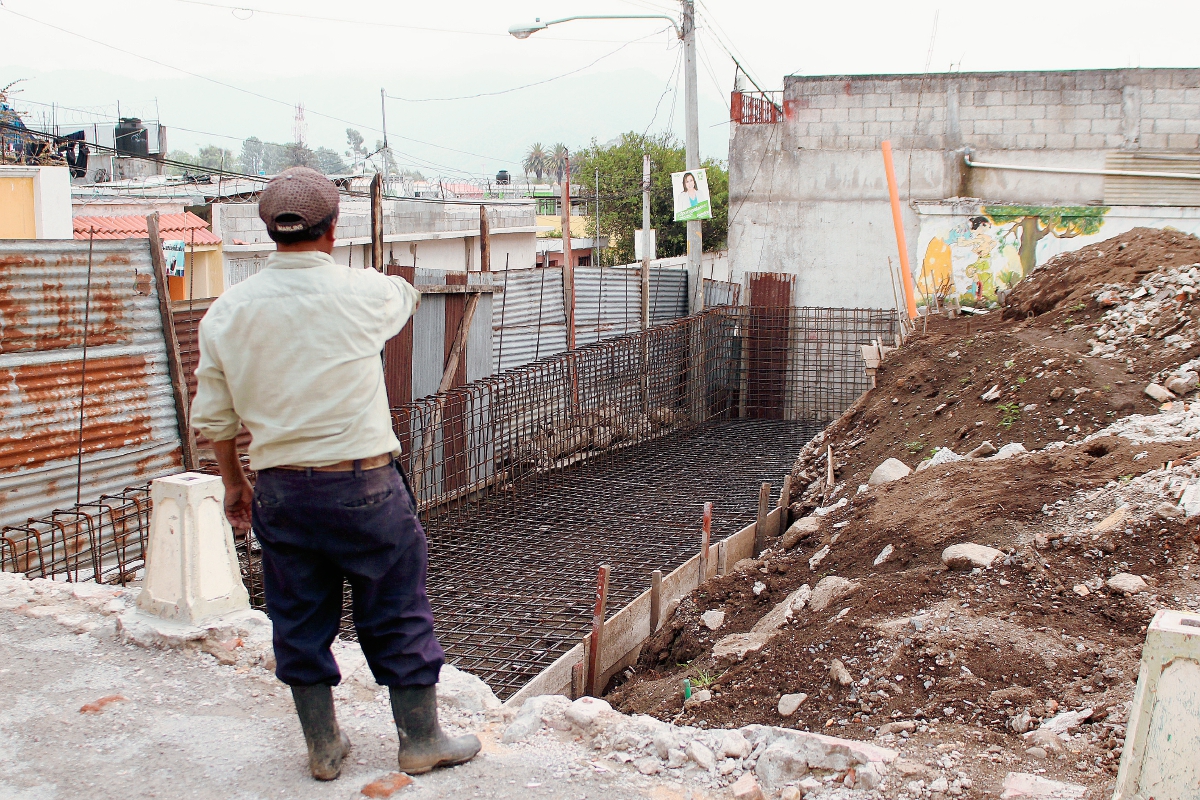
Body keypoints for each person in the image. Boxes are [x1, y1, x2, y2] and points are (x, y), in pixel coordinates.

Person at [190, 167, 480, 781]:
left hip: (281, 490)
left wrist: (236, 485)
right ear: (332, 228)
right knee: (397, 607)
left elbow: (215, 420)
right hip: (365, 487)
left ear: (269, 231)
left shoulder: (225, 314)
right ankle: (420, 740)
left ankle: (323, 750)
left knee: (296, 615)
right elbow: (404, 295)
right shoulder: (364, 293)